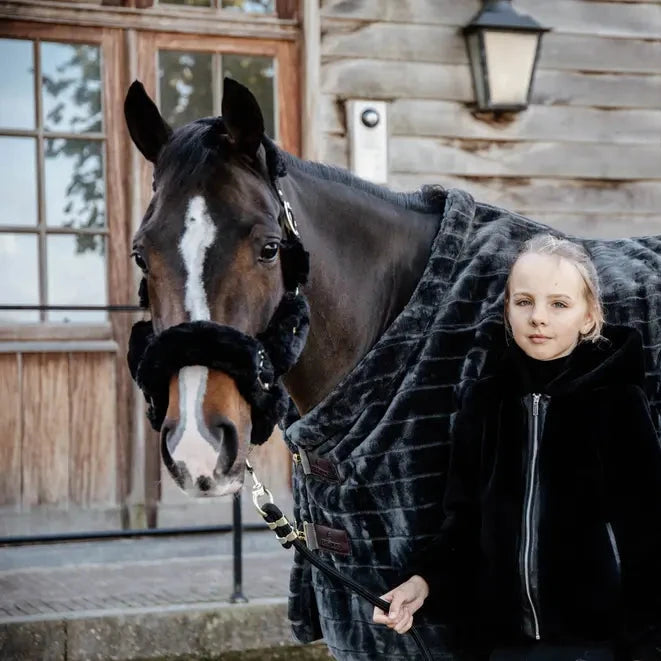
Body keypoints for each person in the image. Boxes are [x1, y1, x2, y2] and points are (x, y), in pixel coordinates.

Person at [373, 234, 661, 661]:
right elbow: (463, 526)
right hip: (503, 648)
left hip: (599, 648)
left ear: (589, 316)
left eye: (559, 304)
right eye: (524, 302)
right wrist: (422, 584)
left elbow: (649, 540)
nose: (538, 318)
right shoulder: (486, 401)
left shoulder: (618, 402)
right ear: (507, 310)